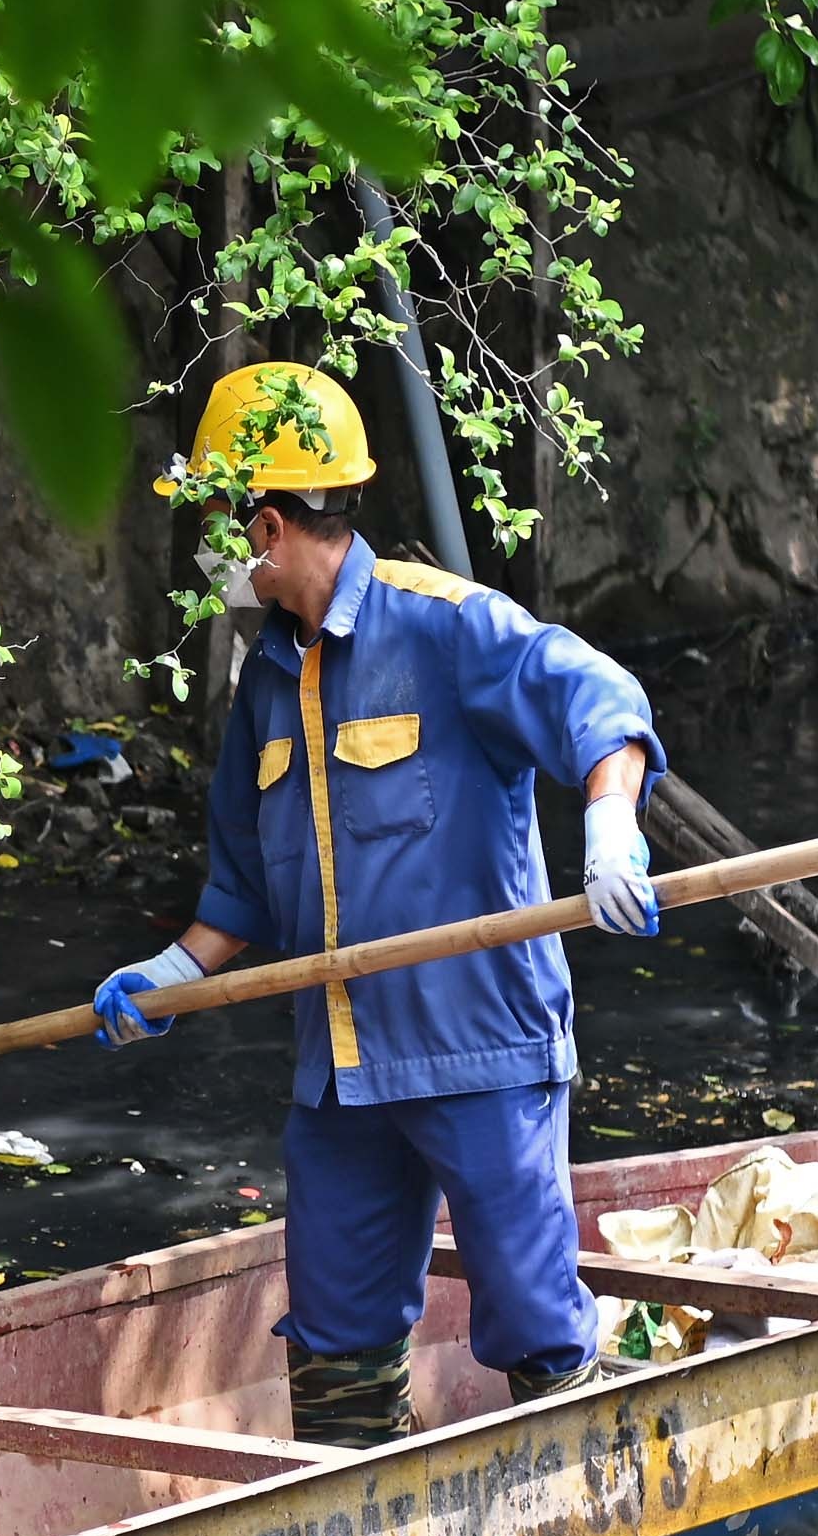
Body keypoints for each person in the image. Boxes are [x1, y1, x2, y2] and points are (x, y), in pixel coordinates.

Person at [94, 360, 664, 1434]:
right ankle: (357, 1530)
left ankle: (581, 1519)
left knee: (533, 1320)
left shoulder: (445, 627)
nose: (205, 550)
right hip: (340, 1073)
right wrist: (173, 972)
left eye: (216, 521)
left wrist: (609, 827)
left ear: (262, 523)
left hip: (479, 1049)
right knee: (336, 1339)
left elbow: (598, 700)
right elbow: (241, 885)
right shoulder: (263, 681)